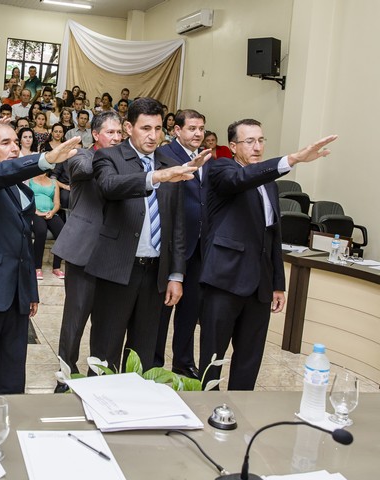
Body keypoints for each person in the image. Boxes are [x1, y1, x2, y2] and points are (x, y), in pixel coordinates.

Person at [199, 121, 337, 390]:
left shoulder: (270, 185)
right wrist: (294, 158)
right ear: (234, 146)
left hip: (259, 285)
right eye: (249, 141)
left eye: (261, 140)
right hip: (225, 279)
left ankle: (240, 406)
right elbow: (239, 179)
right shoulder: (220, 169)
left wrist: (277, 283)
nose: (258, 147)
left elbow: (273, 236)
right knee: (212, 356)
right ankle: (206, 408)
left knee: (250, 358)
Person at [0, 119, 80, 394]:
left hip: (15, 293)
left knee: (12, 376)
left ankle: (6, 428)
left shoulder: (18, 186)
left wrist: (30, 290)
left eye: (15, 142)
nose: (13, 148)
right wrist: (44, 160)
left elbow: (23, 241)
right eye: (5, 142)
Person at [85, 97, 209, 371]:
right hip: (117, 269)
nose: (153, 136)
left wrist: (176, 275)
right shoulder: (110, 156)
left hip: (155, 274)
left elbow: (177, 225)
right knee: (106, 350)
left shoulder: (168, 162)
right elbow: (109, 185)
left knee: (143, 353)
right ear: (128, 127)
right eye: (145, 129)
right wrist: (155, 178)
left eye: (158, 128)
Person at [52, 111, 123, 389]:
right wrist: (114, 158)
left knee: (106, 322)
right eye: (111, 133)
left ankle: (98, 376)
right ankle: (66, 375)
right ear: (95, 135)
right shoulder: (81, 156)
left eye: (120, 133)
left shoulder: (128, 162)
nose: (117, 138)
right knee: (75, 318)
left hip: (115, 253)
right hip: (84, 249)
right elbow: (81, 172)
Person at [153, 109, 210, 378]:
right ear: (177, 130)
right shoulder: (165, 157)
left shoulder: (207, 159)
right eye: (192, 128)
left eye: (201, 129)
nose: (198, 133)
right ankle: (153, 362)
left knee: (190, 309)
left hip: (199, 246)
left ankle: (184, 362)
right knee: (162, 307)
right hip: (171, 244)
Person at [29, 170, 64, 280]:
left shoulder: (54, 182)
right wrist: (36, 212)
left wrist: (52, 212)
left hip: (50, 213)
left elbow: (57, 203)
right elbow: (26, 198)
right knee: (41, 231)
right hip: (35, 213)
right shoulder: (30, 180)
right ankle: (37, 267)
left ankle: (56, 267)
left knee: (62, 232)